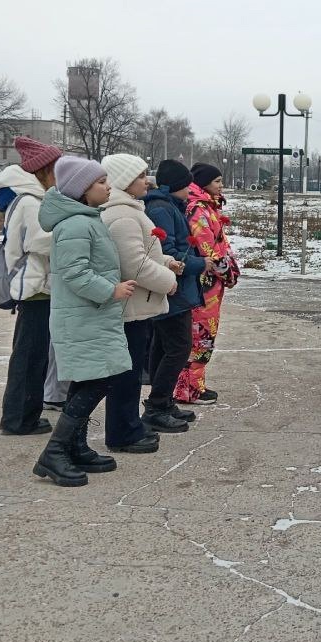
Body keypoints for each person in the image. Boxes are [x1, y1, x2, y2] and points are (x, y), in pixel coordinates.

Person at [32, 156, 137, 488]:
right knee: (97, 381)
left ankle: (76, 446)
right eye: (101, 182)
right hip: (83, 317)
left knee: (88, 379)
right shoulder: (76, 224)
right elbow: (75, 273)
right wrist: (111, 290)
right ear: (81, 189)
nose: (108, 186)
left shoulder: (87, 219)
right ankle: (55, 451)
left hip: (91, 316)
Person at [100, 153, 180, 453]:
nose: (147, 181)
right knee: (126, 373)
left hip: (136, 304)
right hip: (130, 306)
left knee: (131, 371)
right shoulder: (122, 214)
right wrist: (167, 281)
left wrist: (167, 262)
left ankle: (129, 426)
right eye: (140, 176)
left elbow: (143, 255)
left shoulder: (130, 209)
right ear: (123, 180)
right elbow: (133, 264)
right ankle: (123, 432)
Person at [0, 137, 61, 436]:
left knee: (33, 355)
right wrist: (68, 233)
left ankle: (25, 415)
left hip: (38, 285)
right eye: (56, 168)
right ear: (42, 170)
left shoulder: (33, 198)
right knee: (29, 356)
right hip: (35, 288)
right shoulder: (31, 202)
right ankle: (19, 419)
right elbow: (40, 241)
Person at [142, 160, 206, 432]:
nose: (190, 190)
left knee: (164, 346)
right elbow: (166, 252)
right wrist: (200, 264)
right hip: (173, 290)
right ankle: (157, 404)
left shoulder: (171, 207)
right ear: (175, 186)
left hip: (176, 289)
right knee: (179, 347)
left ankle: (162, 400)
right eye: (186, 185)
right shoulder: (161, 209)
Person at [175, 163, 240, 405]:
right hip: (205, 283)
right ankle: (190, 388)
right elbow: (208, 249)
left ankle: (192, 384)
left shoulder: (207, 207)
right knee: (200, 334)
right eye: (217, 181)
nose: (221, 185)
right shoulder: (199, 210)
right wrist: (228, 272)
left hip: (211, 283)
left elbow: (221, 243)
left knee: (203, 333)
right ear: (203, 184)